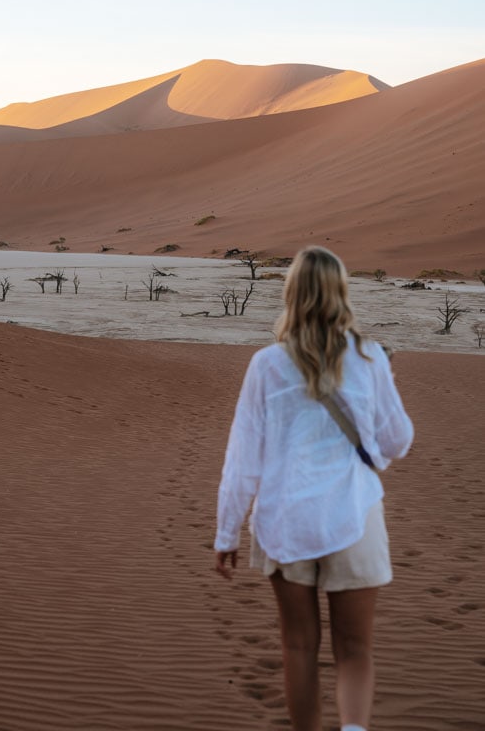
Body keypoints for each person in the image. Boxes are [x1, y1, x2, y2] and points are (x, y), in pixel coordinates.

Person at [214, 246, 413, 731]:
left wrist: (226, 534)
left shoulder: (266, 364)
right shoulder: (368, 358)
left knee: (299, 646)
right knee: (355, 649)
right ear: (340, 293)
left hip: (285, 521)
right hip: (354, 514)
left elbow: (243, 460)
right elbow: (399, 440)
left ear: (291, 295)